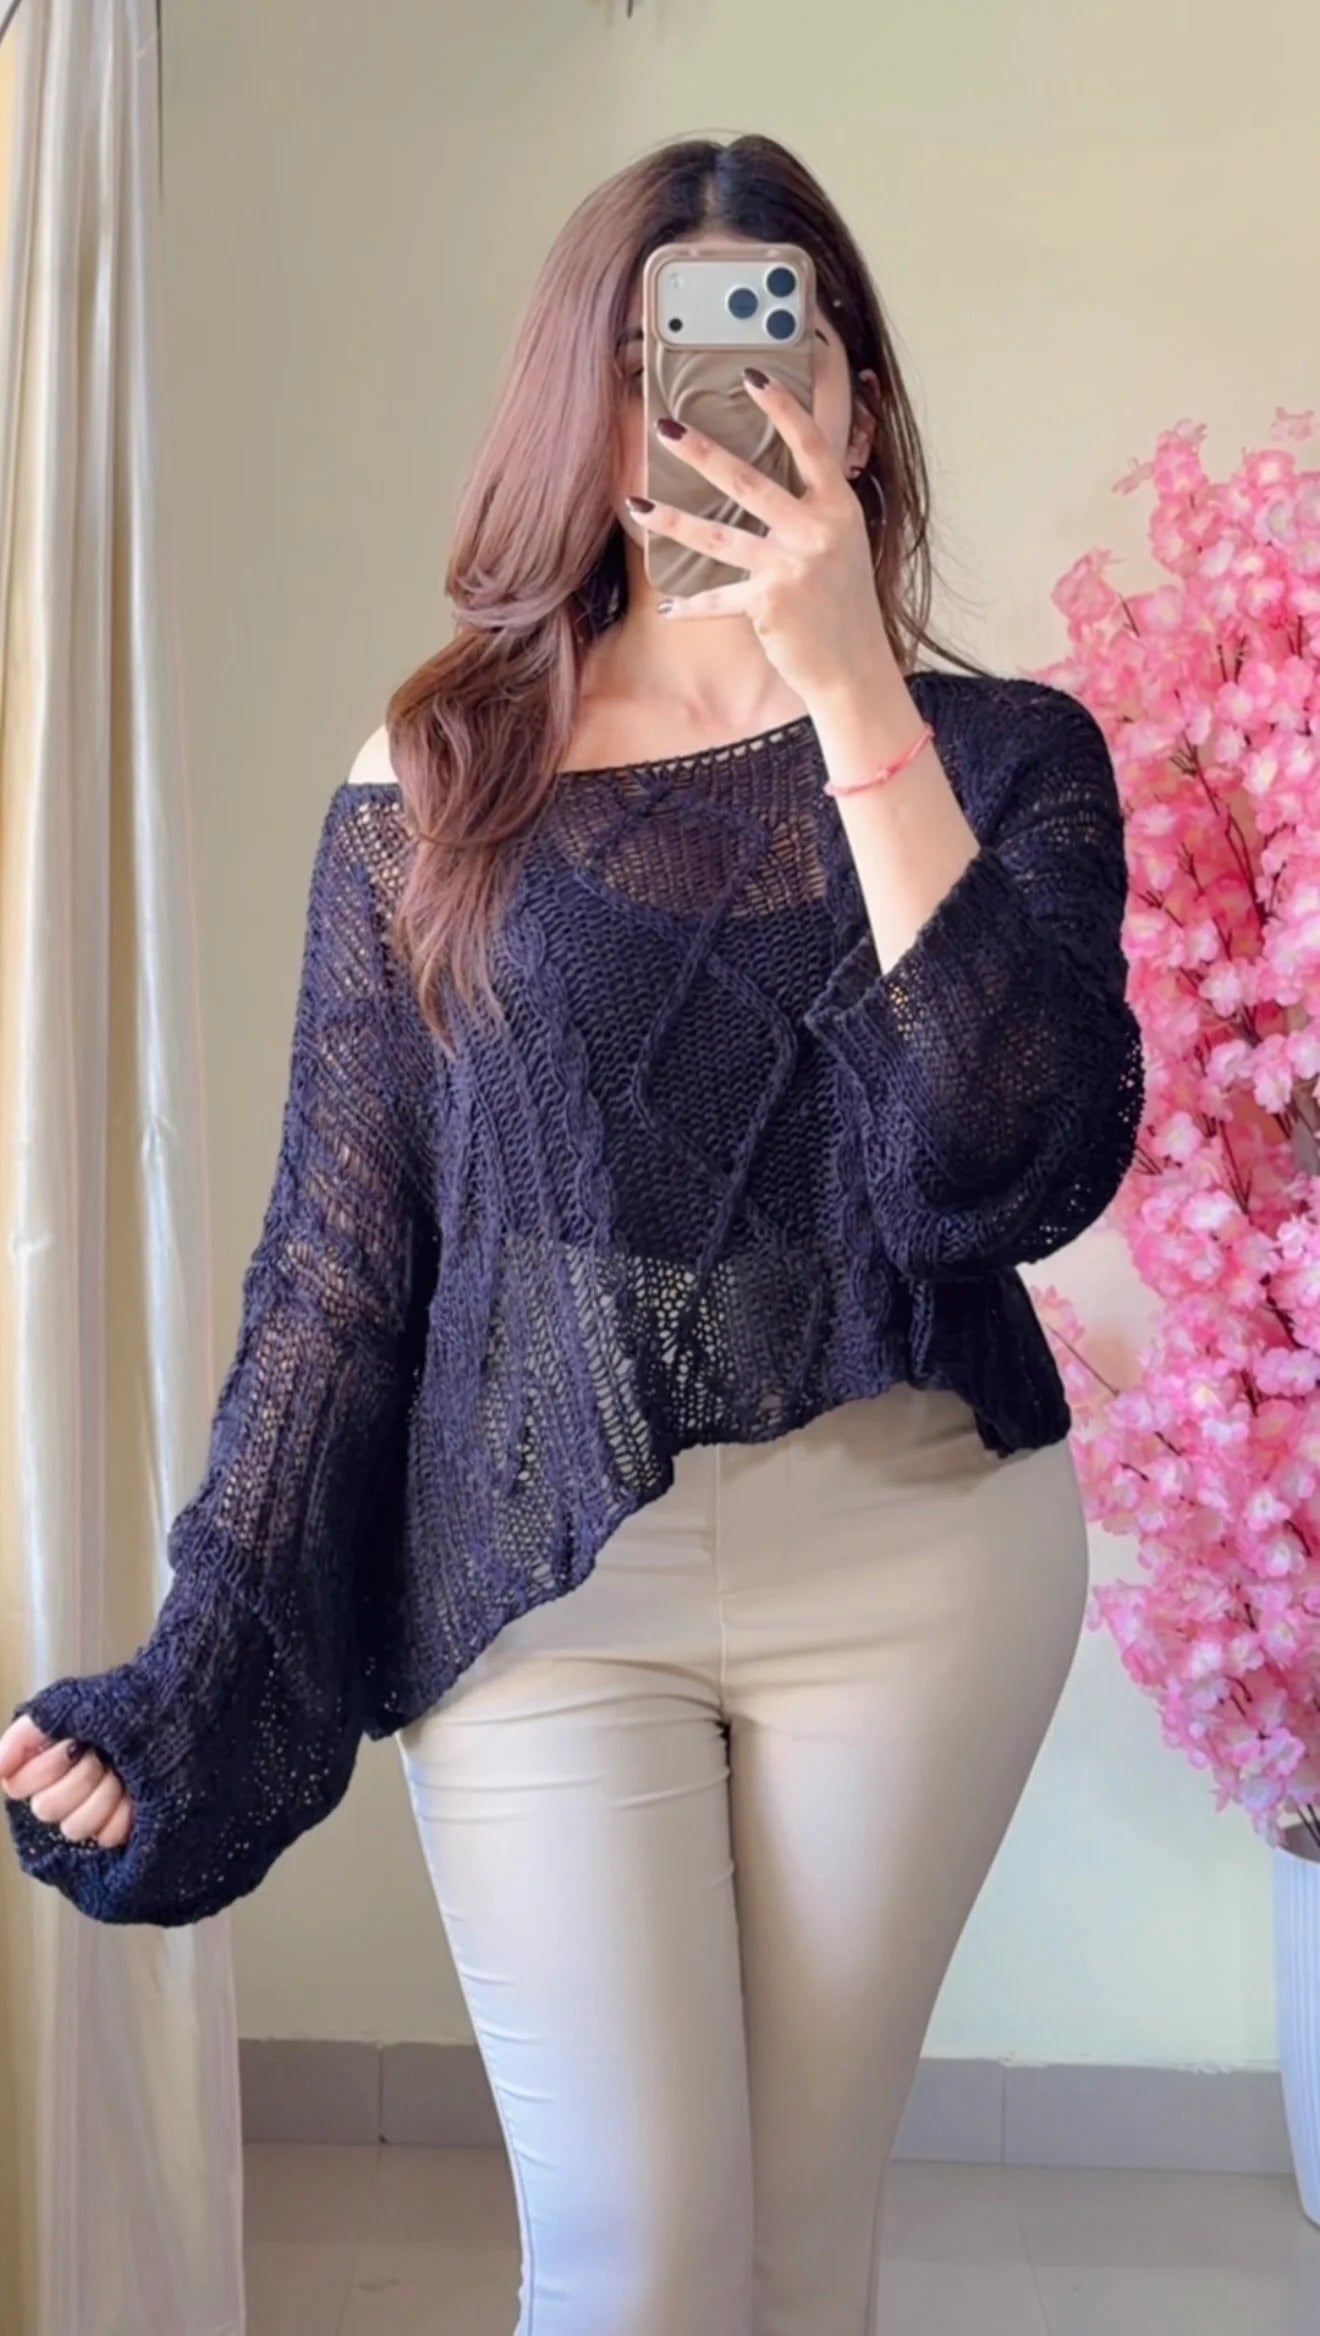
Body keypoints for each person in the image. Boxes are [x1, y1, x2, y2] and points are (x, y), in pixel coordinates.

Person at [1, 133, 1143, 2336]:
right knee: (632, 2268)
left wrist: (850, 689)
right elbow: (342, 1266)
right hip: (539, 1577)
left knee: (797, 2258)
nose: (710, 402)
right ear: (577, 405)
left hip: (921, 1565)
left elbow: (1008, 1166)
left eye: (774, 345)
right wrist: (210, 1644)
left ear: (857, 405)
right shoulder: (440, 774)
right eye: (651, 357)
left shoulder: (1007, 758)